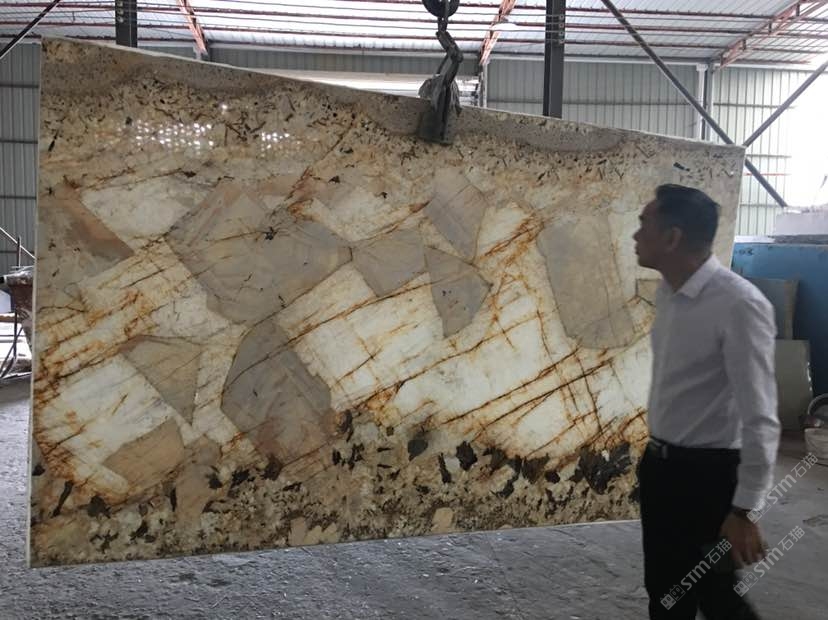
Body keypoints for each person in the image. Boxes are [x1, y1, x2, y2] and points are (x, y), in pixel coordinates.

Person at [632, 184, 780, 619]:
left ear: (672, 237)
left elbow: (760, 416)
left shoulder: (738, 304)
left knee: (718, 599)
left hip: (709, 481)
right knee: (665, 592)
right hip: (661, 470)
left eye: (644, 224)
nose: (636, 235)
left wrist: (743, 509)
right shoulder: (669, 293)